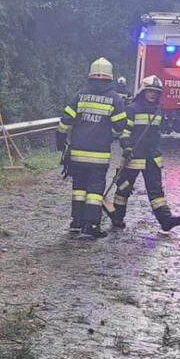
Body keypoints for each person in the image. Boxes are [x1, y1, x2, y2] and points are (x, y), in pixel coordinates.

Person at [56, 58, 128, 238]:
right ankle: (91, 225)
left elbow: (66, 120)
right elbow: (120, 127)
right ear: (110, 77)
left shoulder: (79, 95)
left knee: (79, 188)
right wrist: (109, 135)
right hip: (99, 154)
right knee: (95, 191)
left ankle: (76, 221)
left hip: (78, 153)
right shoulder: (114, 99)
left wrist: (61, 139)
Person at [110, 75, 180, 232]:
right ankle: (117, 217)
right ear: (143, 91)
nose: (153, 95)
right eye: (150, 91)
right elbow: (124, 132)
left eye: (156, 92)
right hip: (134, 157)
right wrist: (127, 147)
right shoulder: (132, 109)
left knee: (156, 191)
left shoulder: (159, 111)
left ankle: (166, 220)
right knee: (123, 188)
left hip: (152, 158)